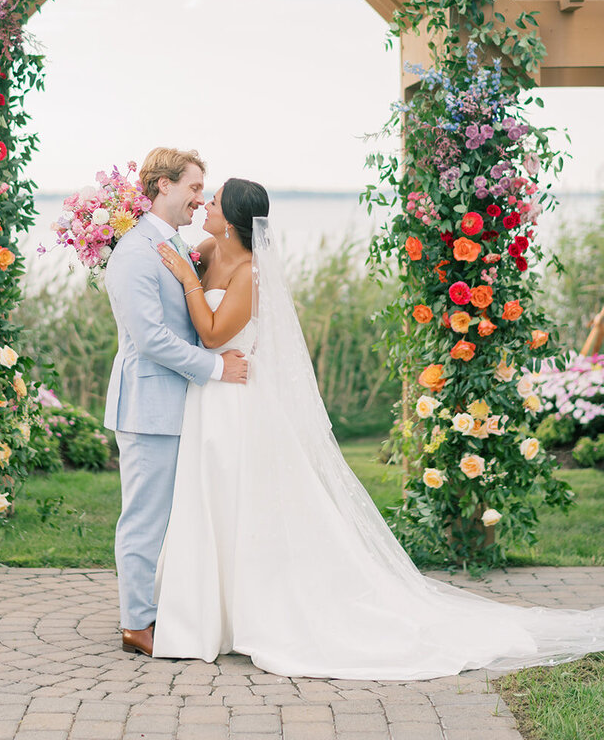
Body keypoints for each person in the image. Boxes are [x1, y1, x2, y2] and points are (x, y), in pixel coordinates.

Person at [152, 178, 604, 679]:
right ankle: (210, 615)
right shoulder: (207, 247)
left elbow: (214, 332)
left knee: (238, 499)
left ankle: (252, 613)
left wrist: (188, 281)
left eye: (212, 202)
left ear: (234, 220)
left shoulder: (251, 271)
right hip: (210, 393)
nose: (204, 206)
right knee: (209, 499)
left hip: (236, 400)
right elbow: (178, 280)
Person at [103, 148, 248, 659]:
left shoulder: (178, 245)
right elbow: (150, 339)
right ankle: (136, 624)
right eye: (193, 187)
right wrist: (216, 368)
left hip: (179, 405)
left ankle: (163, 608)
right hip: (148, 406)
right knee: (144, 517)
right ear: (163, 186)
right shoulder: (136, 253)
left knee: (173, 516)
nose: (199, 198)